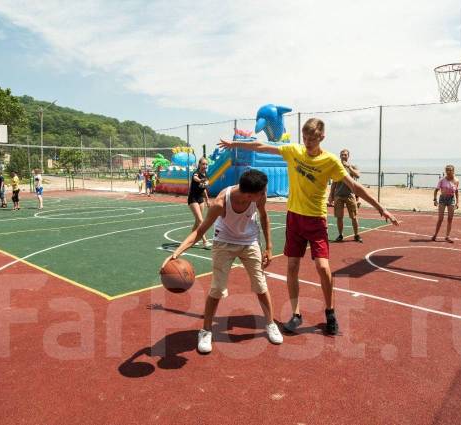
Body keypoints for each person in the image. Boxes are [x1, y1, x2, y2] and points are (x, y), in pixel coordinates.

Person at [218, 118, 398, 335]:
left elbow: (355, 186)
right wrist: (234, 144)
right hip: (294, 218)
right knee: (292, 267)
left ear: (322, 137)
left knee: (322, 267)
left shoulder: (330, 160)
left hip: (316, 220)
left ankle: (330, 312)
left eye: (312, 138)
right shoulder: (294, 151)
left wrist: (381, 208)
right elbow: (260, 146)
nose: (308, 142)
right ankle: (296, 314)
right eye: (305, 138)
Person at [161, 169, 282, 353]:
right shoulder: (220, 203)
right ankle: (206, 330)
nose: (265, 194)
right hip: (224, 242)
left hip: (249, 242)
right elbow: (199, 232)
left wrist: (269, 247)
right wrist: (176, 253)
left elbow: (264, 216)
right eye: (262, 192)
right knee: (217, 288)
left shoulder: (258, 198)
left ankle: (270, 323)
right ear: (250, 195)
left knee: (260, 285)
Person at [328, 149, 362, 242]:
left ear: (348, 156)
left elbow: (358, 175)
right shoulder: (336, 167)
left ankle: (356, 235)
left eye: (345, 155)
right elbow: (334, 183)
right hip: (338, 196)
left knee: (354, 217)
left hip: (350, 195)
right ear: (340, 156)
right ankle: (340, 235)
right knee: (339, 217)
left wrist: (349, 167)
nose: (344, 156)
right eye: (342, 155)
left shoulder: (353, 166)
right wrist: (330, 196)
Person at [187, 157, 211, 248]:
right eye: (203, 164)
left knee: (198, 221)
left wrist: (207, 200)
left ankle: (191, 238)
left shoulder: (206, 175)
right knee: (201, 220)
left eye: (206, 164)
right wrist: (201, 180)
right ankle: (205, 241)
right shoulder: (196, 173)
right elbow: (195, 178)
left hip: (201, 199)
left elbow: (204, 189)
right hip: (193, 198)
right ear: (199, 164)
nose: (205, 166)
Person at [432, 164, 459, 243]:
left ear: (453, 171)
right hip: (442, 199)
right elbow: (436, 190)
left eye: (450, 170)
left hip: (451, 199)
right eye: (447, 170)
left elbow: (456, 192)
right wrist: (435, 200)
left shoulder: (456, 180)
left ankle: (447, 236)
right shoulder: (442, 180)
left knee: (450, 219)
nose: (449, 172)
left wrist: (457, 202)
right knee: (440, 219)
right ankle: (435, 235)